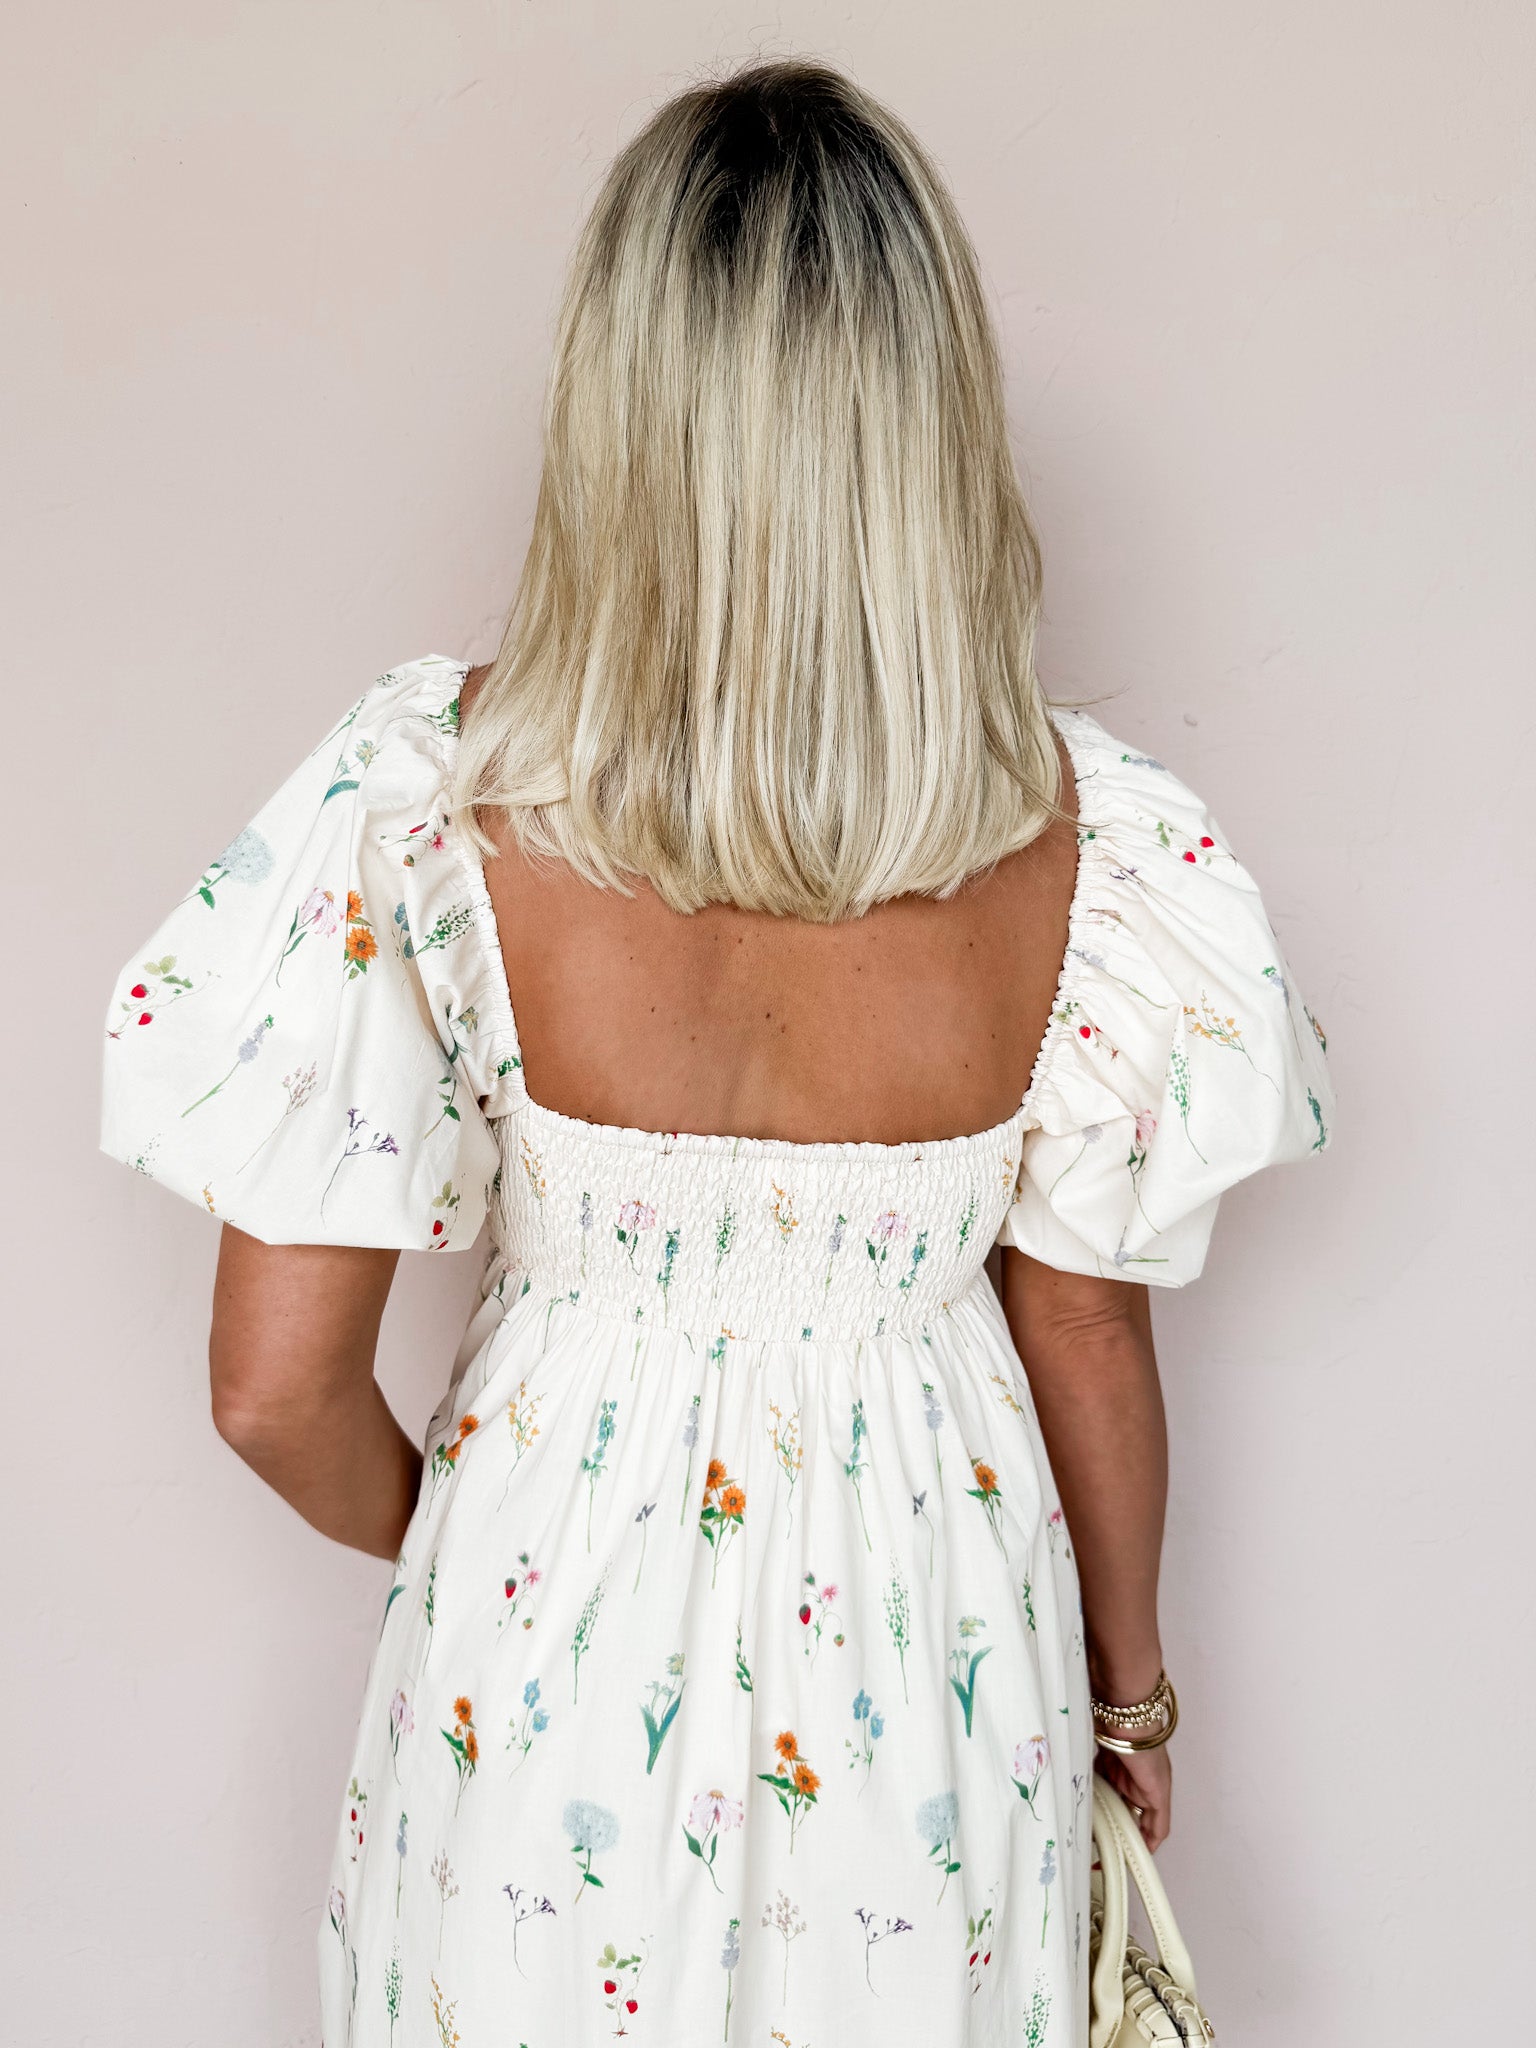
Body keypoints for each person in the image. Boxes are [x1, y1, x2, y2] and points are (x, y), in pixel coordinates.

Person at [100, 57, 1332, 2048]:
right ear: (928, 415)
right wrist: (1132, 1694)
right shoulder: (1091, 843)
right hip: (938, 1658)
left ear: (619, 404)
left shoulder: (428, 796)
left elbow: (271, 1390)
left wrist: (487, 1548)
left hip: (540, 1653)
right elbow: (1088, 1335)